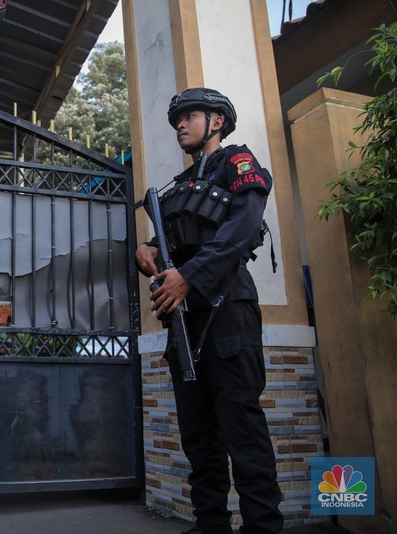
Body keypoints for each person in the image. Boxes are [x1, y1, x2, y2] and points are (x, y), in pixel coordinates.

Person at [135, 88, 283, 534]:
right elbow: (174, 243)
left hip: (227, 307)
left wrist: (190, 276)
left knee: (242, 428)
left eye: (190, 116)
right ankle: (210, 525)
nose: (180, 124)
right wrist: (147, 250)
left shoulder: (237, 162)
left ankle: (262, 527)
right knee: (198, 436)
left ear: (215, 121)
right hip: (183, 317)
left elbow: (243, 227)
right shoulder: (177, 187)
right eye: (177, 119)